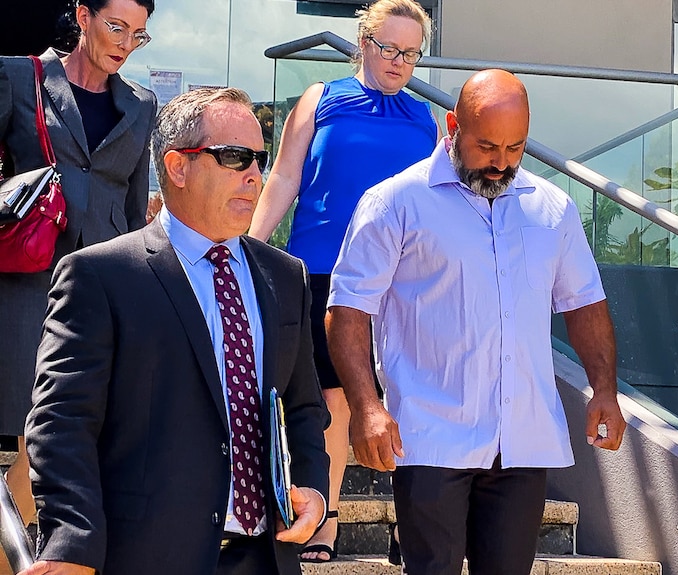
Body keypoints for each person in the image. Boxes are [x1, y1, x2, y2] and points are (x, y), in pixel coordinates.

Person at [326, 69, 627, 575]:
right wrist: (366, 405)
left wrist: (603, 390)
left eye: (515, 148)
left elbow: (585, 304)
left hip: (523, 440)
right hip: (429, 435)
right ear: (453, 126)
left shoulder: (552, 209)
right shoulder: (396, 202)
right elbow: (348, 308)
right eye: (488, 146)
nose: (501, 163)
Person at [19, 87, 330, 575]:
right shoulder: (101, 276)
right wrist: (71, 540)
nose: (255, 175)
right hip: (146, 555)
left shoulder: (285, 276)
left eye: (260, 158)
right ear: (178, 167)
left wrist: (311, 485)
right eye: (234, 156)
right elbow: (62, 421)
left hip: (267, 556)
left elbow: (306, 406)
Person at [247, 0, 438, 563]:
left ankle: (413, 526)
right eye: (389, 48)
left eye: (411, 52)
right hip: (321, 271)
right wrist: (250, 247)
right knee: (331, 398)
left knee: (404, 397)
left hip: (401, 280)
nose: (400, 61)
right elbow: (283, 176)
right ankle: (324, 521)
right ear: (364, 43)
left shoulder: (422, 120)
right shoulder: (320, 100)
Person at [0, 0, 157, 537]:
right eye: (116, 26)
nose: (125, 42)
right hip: (30, 275)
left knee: (80, 420)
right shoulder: (21, 77)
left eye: (138, 34)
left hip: (103, 282)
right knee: (31, 422)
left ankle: (24, 549)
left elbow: (136, 211)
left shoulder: (141, 104)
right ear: (83, 15)